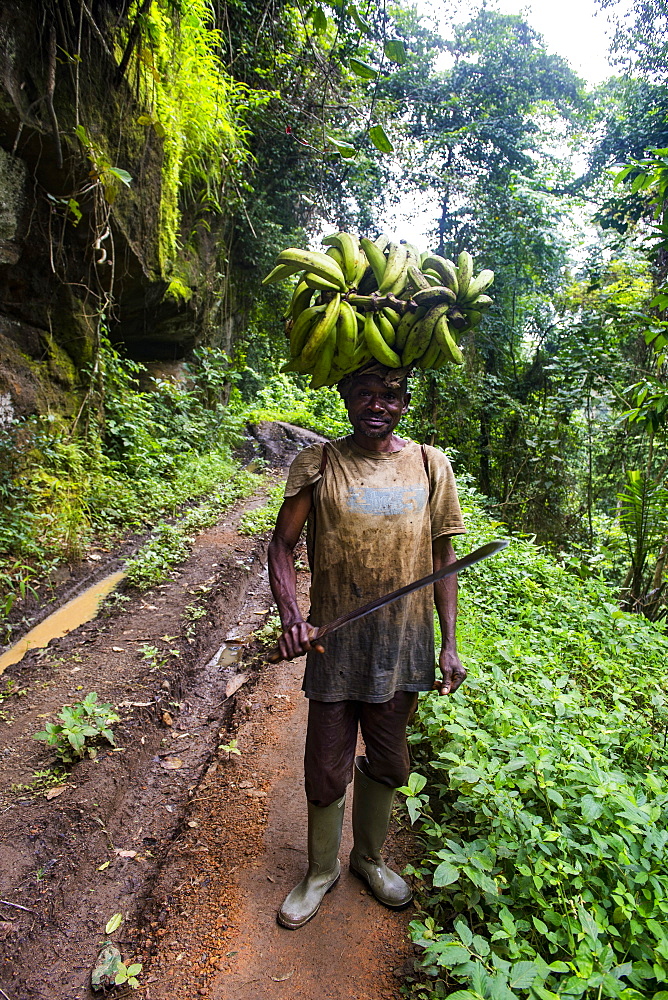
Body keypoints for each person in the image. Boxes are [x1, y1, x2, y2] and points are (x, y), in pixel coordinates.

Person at [267, 363, 467, 930]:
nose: (377, 404)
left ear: (405, 402)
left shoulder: (430, 464)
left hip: (404, 647)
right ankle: (319, 870)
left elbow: (443, 560)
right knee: (325, 767)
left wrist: (449, 643)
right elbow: (281, 546)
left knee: (389, 760)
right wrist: (291, 616)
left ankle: (369, 859)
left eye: (391, 395)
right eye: (364, 394)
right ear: (346, 399)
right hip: (337, 651)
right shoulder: (320, 464)